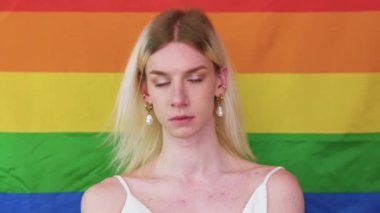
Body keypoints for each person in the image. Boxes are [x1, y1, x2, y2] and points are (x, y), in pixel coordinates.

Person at [81, 9, 304, 213]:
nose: (179, 98)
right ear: (145, 90)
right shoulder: (106, 202)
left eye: (195, 79)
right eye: (161, 82)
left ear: (220, 81)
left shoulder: (275, 192)